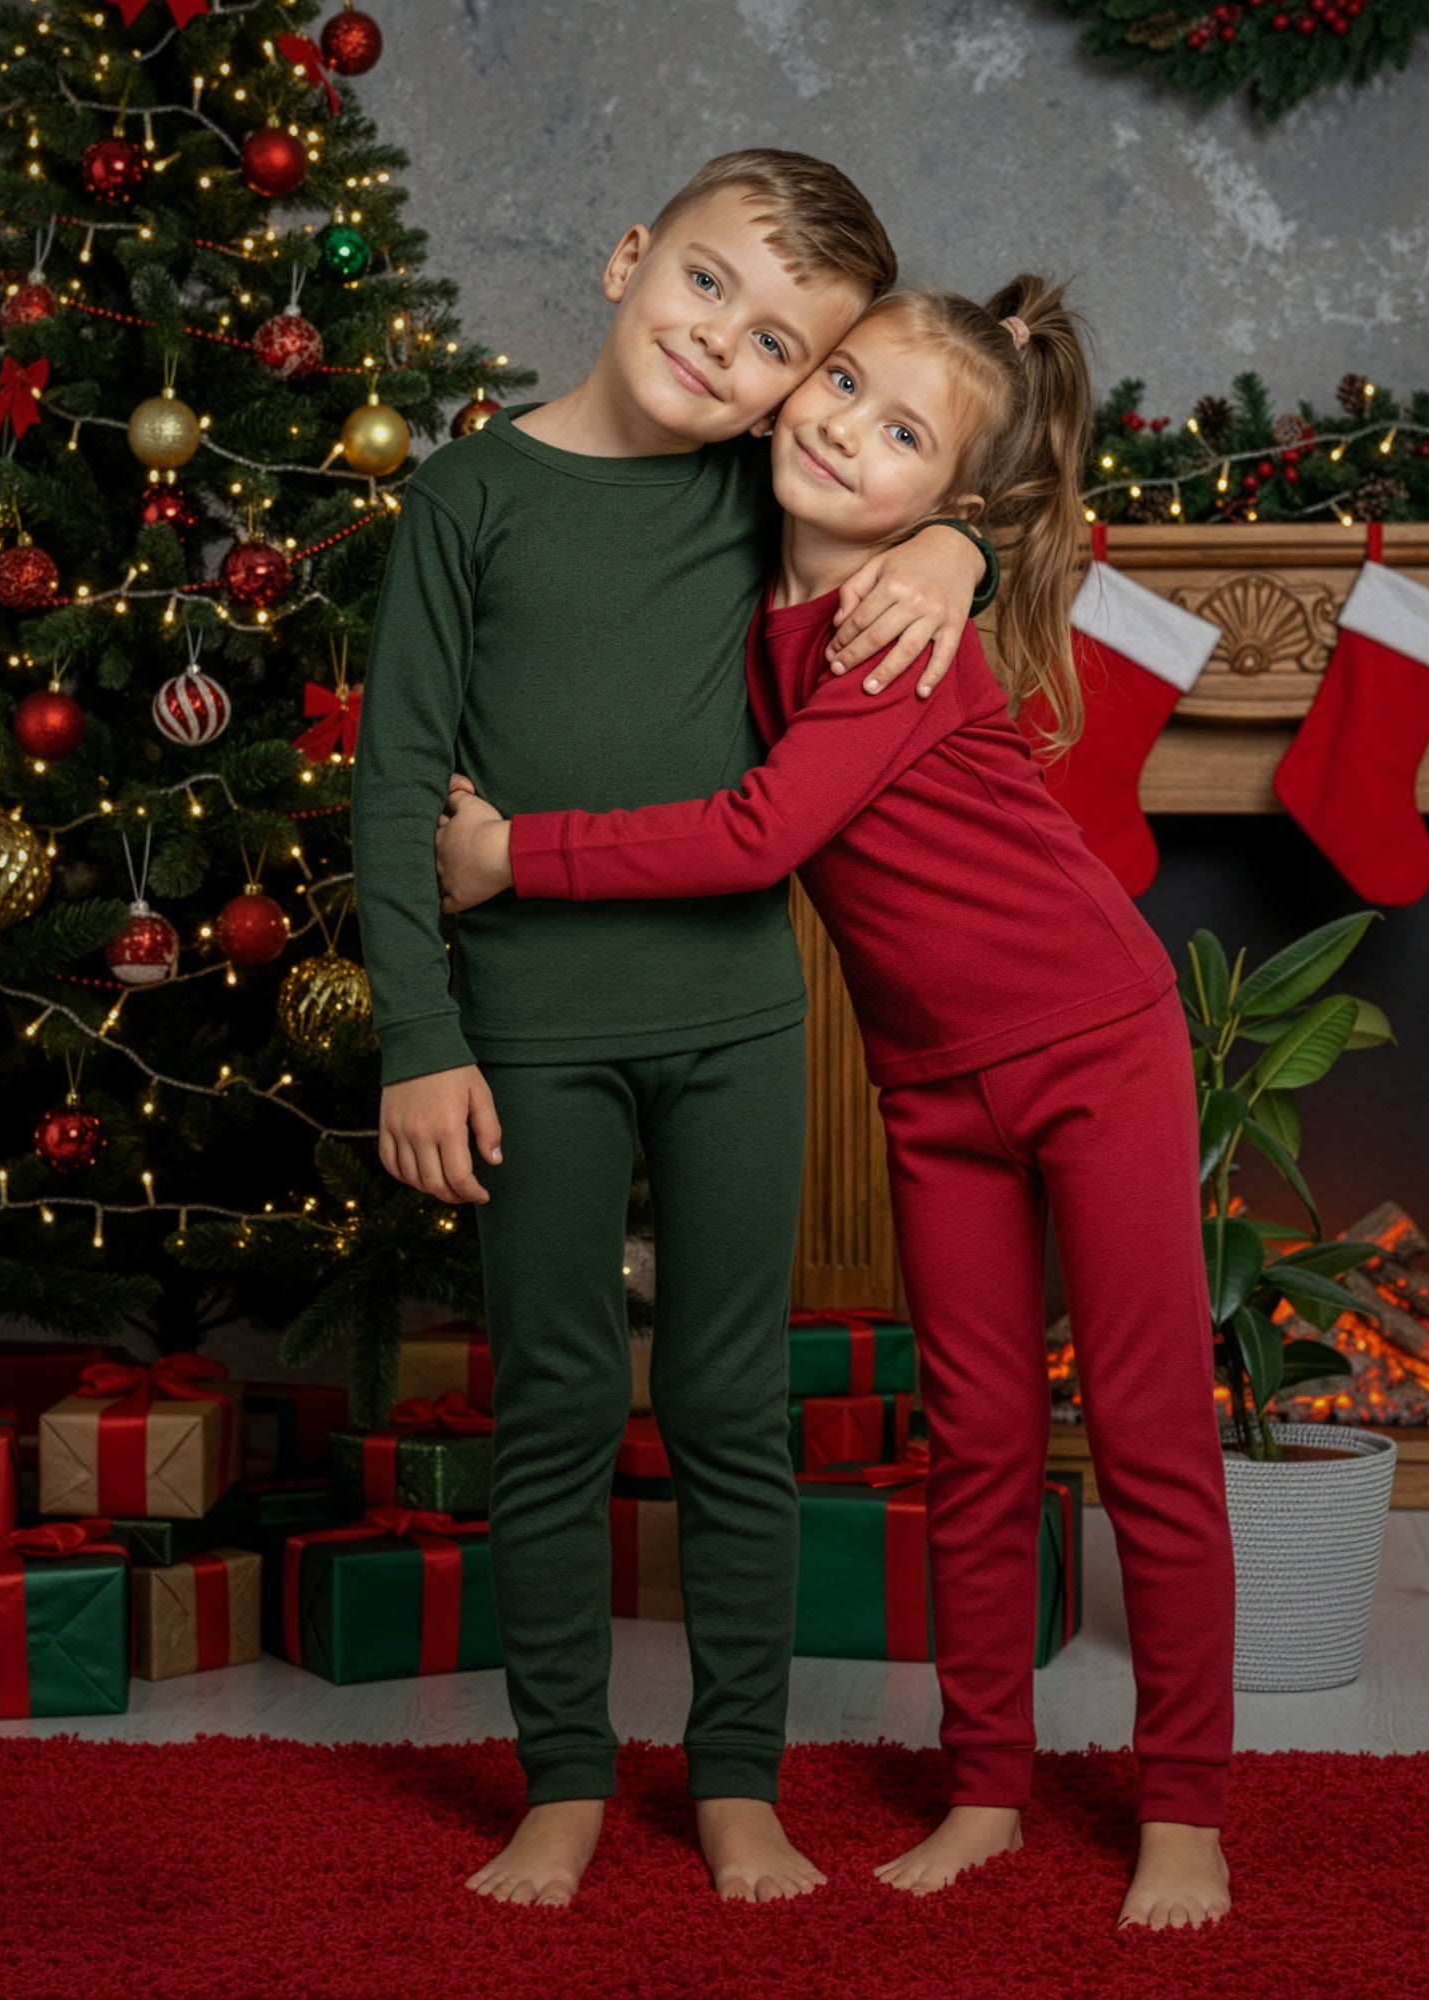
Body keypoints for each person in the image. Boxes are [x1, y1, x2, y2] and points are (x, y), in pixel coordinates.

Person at [433, 277, 1236, 1933]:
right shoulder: (765, 564)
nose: (834, 423)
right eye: (843, 380)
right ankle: (990, 1788)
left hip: (1098, 1041)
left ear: (950, 494)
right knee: (981, 1439)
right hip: (934, 1085)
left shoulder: (894, 625)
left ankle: (1187, 1814)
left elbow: (751, 838)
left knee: (1150, 1435)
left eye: (897, 434)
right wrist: (971, 539)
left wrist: (517, 852)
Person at [349, 149, 995, 1910]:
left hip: (732, 1023)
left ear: (808, 389)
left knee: (732, 1406)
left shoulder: (756, 499)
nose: (726, 348)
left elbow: (935, 479)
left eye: (784, 342)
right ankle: (562, 1776)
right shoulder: (468, 497)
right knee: (553, 1403)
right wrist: (419, 1035)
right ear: (634, 257)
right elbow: (399, 775)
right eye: (709, 287)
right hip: (525, 1038)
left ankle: (734, 1783)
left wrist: (955, 551)